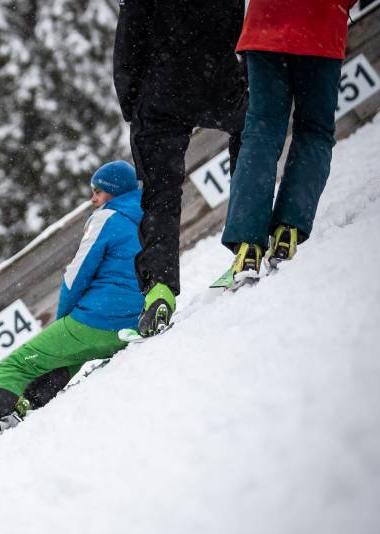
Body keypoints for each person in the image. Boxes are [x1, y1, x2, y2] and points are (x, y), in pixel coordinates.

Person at [0, 161, 144, 470]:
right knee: (67, 355)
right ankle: (27, 401)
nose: (92, 199)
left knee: (15, 364)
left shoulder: (107, 218)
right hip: (132, 322)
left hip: (97, 318)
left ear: (113, 191)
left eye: (97, 192)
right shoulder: (145, 214)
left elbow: (75, 276)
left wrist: (65, 320)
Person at [114, 0, 248, 335]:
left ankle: (159, 289)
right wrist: (226, 62)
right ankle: (251, 235)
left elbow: (128, 41)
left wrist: (133, 102)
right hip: (215, 77)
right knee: (251, 131)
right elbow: (235, 19)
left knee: (160, 196)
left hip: (160, 89)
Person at [214, 0, 358, 288]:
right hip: (322, 24)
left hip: (266, 24)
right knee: (314, 130)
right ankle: (288, 229)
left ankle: (248, 246)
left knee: (261, 132)